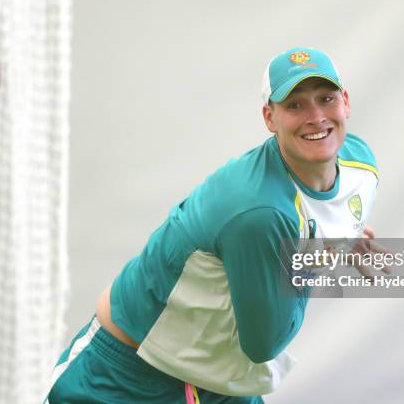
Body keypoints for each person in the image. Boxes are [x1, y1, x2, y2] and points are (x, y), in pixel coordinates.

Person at [45, 46, 382, 404]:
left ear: (345, 102)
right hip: (126, 378)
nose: (316, 116)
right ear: (270, 118)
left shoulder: (361, 166)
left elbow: (319, 218)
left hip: (216, 378)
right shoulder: (260, 212)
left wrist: (339, 239)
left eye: (326, 98)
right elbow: (264, 343)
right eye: (295, 105)